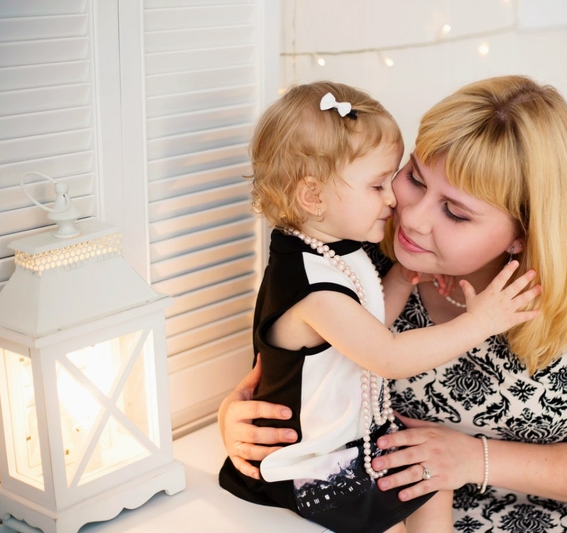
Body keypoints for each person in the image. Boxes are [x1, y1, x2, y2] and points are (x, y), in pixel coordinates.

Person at [220, 76, 567, 532]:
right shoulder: (359, 236)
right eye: (415, 178)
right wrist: (241, 420)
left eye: (456, 212)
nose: (411, 217)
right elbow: (300, 368)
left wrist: (472, 459)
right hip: (409, 502)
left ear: (522, 234)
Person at [217, 81, 542, 533]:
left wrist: (402, 277)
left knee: (432, 483)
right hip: (310, 456)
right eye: (378, 185)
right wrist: (480, 321)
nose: (393, 201)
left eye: (392, 179)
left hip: (352, 438)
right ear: (313, 196)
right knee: (385, 520)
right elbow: (386, 355)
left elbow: (369, 327)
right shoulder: (310, 285)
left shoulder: (339, 247)